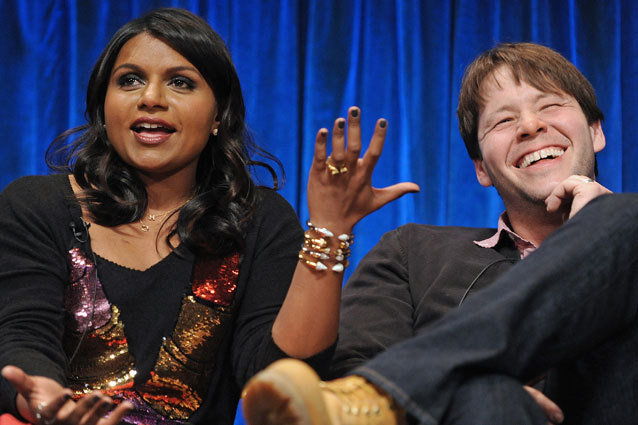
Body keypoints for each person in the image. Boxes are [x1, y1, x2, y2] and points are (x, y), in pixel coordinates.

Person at [0, 8, 417, 425]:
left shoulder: (259, 221)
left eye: (181, 82)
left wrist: (329, 231)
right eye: (129, 80)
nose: (150, 98)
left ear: (219, 115)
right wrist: (47, 403)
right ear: (103, 106)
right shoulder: (36, 205)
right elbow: (21, 336)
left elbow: (278, 377)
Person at [240, 43, 632, 425]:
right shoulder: (414, 253)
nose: (530, 126)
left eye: (550, 105)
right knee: (488, 397)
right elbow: (350, 379)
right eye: (503, 120)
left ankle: (399, 388)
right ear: (481, 168)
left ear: (596, 132)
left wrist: (438, 387)